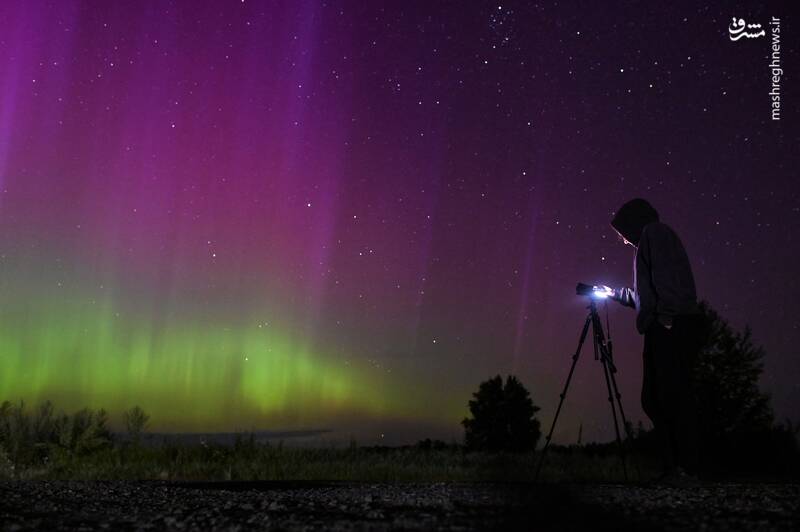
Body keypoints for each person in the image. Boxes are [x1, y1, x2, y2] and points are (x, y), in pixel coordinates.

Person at [605, 198, 705, 484]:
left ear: (634, 222)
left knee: (671, 397)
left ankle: (686, 468)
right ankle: (675, 467)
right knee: (654, 398)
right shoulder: (650, 240)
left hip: (671, 325)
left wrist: (667, 318)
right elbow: (642, 297)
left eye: (623, 233)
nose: (624, 241)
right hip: (663, 323)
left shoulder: (655, 233)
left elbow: (668, 279)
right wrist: (611, 292)